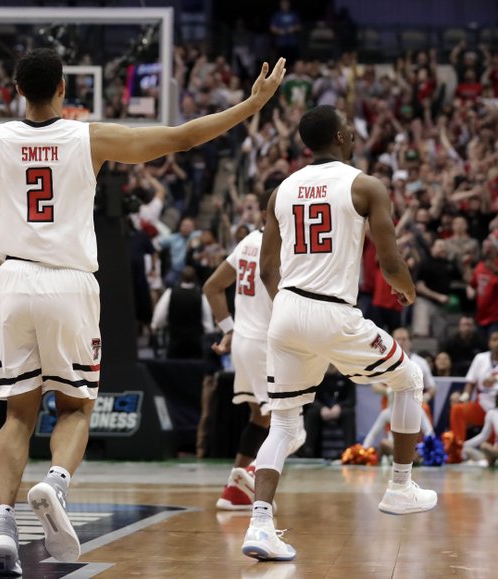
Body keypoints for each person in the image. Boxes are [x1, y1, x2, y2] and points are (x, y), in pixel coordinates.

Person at [0, 33, 285, 574]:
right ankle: (56, 485)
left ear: (16, 90)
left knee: (16, 415)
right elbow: (181, 138)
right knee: (75, 409)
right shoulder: (87, 138)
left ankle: (2, 523)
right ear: (65, 88)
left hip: (15, 282)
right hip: (69, 283)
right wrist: (253, 105)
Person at [242, 105, 436, 562]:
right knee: (409, 380)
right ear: (341, 136)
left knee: (286, 425)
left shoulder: (280, 190)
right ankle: (401, 487)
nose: (352, 131)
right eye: (349, 127)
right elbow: (390, 263)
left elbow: (268, 267)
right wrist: (407, 292)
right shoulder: (365, 184)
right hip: (332, 311)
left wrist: (292, 314)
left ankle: (260, 524)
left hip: (285, 309)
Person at [203, 194, 305, 508]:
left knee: (259, 418)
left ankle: (233, 493)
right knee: (292, 429)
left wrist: (228, 328)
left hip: (244, 343)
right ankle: (251, 474)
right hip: (265, 344)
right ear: (266, 213)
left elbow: (212, 286)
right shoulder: (279, 249)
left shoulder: (247, 241)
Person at [150, 265, 214, 359]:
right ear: (195, 278)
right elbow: (207, 322)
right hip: (195, 344)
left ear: (180, 277)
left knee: (175, 371)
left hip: (175, 342)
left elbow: (159, 317)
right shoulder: (200, 296)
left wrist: (155, 326)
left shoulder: (170, 293)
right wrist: (210, 334)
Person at [448, 331, 498, 448]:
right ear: (489, 343)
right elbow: (470, 383)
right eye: (495, 340)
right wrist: (464, 397)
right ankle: (457, 448)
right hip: (481, 405)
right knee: (457, 409)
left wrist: (494, 378)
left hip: (496, 406)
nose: (497, 343)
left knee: (489, 443)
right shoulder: (480, 358)